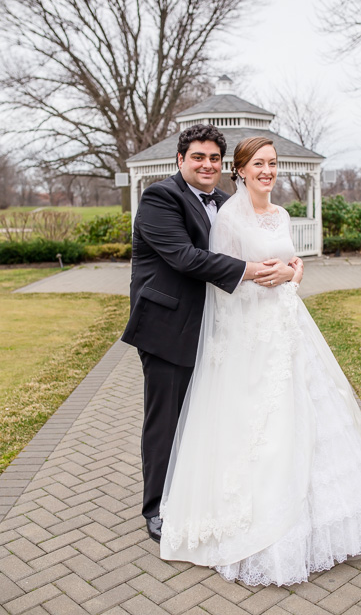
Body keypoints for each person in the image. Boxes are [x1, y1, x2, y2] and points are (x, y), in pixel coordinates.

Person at [159, 136, 361, 586]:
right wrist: (266, 281)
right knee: (264, 426)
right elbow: (219, 279)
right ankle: (264, 523)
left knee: (311, 413)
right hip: (250, 333)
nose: (267, 171)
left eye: (272, 163)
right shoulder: (228, 217)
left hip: (289, 326)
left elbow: (290, 261)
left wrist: (296, 270)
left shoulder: (283, 213)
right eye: (258, 164)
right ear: (241, 170)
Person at [121, 125, 297, 542]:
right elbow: (185, 257)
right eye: (198, 157)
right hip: (169, 327)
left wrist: (293, 268)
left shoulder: (225, 201)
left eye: (214, 158)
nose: (207, 165)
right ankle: (157, 507)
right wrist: (255, 273)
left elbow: (261, 245)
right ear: (180, 160)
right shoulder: (159, 198)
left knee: (210, 418)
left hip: (220, 331)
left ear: (224, 165)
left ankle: (200, 496)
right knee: (166, 419)